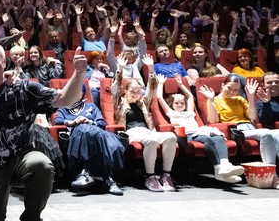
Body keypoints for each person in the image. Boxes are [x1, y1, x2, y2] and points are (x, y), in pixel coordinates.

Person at [0, 41, 87, 221]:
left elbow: (65, 99)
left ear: (4, 62)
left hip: (21, 159)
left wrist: (79, 73)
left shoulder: (24, 88)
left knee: (42, 165)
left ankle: (31, 218)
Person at [156, 74, 244, 183]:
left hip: (198, 132)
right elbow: (159, 97)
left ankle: (225, 164)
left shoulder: (190, 112)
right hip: (186, 135)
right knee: (207, 139)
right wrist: (160, 83)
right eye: (176, 103)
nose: (180, 105)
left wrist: (181, 84)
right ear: (172, 105)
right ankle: (218, 168)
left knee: (218, 138)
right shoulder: (171, 113)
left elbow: (190, 97)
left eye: (182, 103)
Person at [113, 53, 178, 192]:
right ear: (126, 91)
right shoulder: (120, 102)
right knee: (151, 140)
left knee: (171, 137)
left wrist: (151, 68)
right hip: (131, 132)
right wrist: (120, 68)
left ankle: (166, 175)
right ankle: (150, 177)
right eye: (132, 91)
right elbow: (116, 87)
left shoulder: (143, 103)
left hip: (148, 132)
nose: (136, 93)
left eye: (138, 91)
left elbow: (152, 90)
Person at [200, 74, 279, 185]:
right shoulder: (215, 100)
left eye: (236, 89)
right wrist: (211, 100)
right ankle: (272, 175)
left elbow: (252, 117)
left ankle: (273, 174)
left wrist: (250, 96)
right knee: (266, 133)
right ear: (223, 85)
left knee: (274, 134)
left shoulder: (240, 99)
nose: (232, 92)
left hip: (251, 128)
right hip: (235, 131)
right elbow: (213, 121)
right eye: (229, 88)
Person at [54, 85, 125, 195]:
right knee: (85, 130)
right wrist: (72, 122)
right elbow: (58, 121)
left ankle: (86, 173)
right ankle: (108, 179)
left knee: (101, 136)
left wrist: (89, 121)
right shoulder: (63, 109)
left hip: (98, 133)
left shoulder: (91, 106)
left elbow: (101, 123)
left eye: (76, 91)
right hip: (78, 134)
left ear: (82, 94)